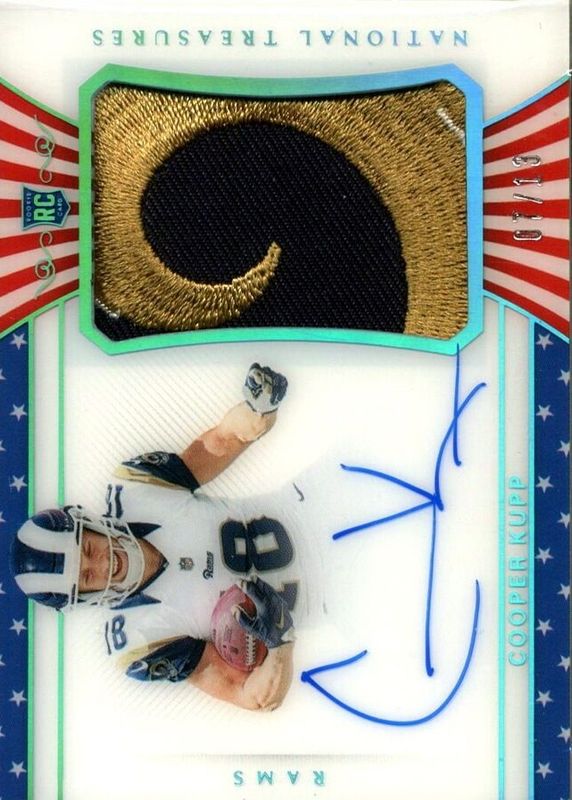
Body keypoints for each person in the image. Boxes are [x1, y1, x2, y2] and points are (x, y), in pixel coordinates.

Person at [10, 364, 307, 712]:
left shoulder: (137, 487)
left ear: (87, 524)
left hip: (312, 507)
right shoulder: (138, 639)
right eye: (87, 576)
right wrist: (281, 642)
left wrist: (258, 408)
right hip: (332, 603)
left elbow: (226, 440)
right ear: (83, 598)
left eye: (89, 549)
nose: (104, 564)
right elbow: (250, 696)